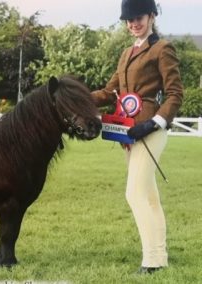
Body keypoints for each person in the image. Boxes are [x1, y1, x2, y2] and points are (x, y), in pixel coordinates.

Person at [91, 0, 183, 275]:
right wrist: (75, 95)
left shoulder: (162, 48)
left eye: (138, 17)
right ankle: (160, 256)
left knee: (134, 193)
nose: (133, 23)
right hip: (128, 132)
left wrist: (155, 122)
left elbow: (175, 94)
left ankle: (151, 261)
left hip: (150, 131)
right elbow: (110, 92)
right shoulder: (125, 53)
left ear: (152, 16)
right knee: (150, 196)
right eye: (128, 20)